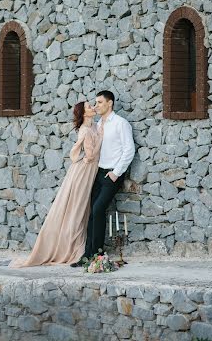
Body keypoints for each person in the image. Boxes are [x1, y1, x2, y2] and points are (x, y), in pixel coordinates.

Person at [10, 101, 103, 268]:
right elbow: (89, 156)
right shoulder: (86, 130)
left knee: (81, 207)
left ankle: (77, 244)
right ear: (84, 114)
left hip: (88, 170)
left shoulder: (95, 126)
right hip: (84, 171)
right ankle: (70, 247)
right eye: (89, 107)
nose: (93, 107)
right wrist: (101, 139)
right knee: (77, 208)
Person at [71, 90, 135, 267]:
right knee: (91, 212)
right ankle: (87, 255)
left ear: (110, 103)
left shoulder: (121, 123)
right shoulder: (98, 124)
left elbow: (129, 150)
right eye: (95, 103)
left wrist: (116, 172)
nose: (96, 105)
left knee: (98, 210)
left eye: (99, 102)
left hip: (112, 174)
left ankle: (97, 254)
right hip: (97, 173)